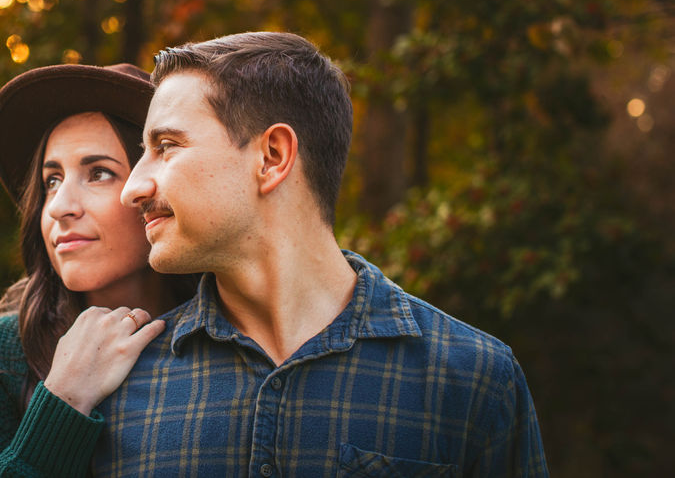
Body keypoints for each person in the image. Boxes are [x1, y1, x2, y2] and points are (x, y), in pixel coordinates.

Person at [86, 32, 546, 476]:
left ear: (272, 155)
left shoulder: (472, 379)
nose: (132, 189)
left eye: (166, 147)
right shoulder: (121, 385)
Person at [0, 63, 197, 478]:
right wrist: (64, 400)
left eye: (99, 174)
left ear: (153, 190)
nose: (59, 206)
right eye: (51, 180)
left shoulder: (225, 338)